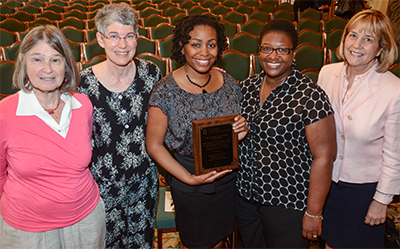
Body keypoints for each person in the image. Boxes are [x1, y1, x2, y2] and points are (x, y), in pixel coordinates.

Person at [145, 14, 249, 249]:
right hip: (188, 179)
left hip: (227, 179)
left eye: (211, 45)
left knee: (221, 239)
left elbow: (235, 125)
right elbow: (153, 144)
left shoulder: (229, 82)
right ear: (182, 47)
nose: (204, 52)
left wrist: (241, 128)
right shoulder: (165, 91)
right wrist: (188, 178)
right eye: (196, 44)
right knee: (196, 243)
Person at [0, 25, 105, 249]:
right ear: (23, 63)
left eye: (56, 60)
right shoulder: (4, 113)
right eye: (37, 59)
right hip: (27, 229)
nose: (47, 69)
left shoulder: (82, 105)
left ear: (66, 65)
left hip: (85, 221)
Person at [236, 19, 337, 248]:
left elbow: (324, 157)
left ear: (294, 54)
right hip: (245, 197)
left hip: (287, 202)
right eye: (267, 48)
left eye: (282, 49)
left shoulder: (310, 96)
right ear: (259, 51)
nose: (273, 56)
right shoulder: (246, 87)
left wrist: (314, 213)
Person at [78, 3, 162, 249]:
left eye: (128, 36)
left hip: (143, 183)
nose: (122, 45)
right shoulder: (83, 83)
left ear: (137, 37)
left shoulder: (151, 74)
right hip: (101, 187)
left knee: (141, 243)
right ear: (100, 39)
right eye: (113, 36)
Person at [317, 9, 400, 248]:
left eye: (368, 39)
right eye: (353, 35)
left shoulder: (394, 91)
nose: (357, 45)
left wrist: (382, 201)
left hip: (363, 192)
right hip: (327, 182)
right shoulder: (327, 74)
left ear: (381, 47)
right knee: (329, 243)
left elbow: (394, 155)